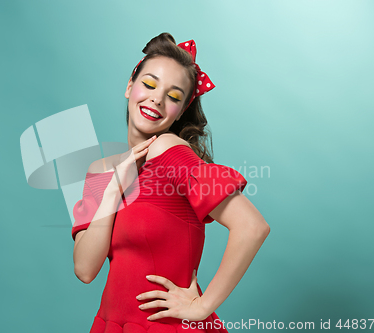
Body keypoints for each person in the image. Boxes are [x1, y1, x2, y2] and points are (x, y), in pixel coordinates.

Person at [71, 32, 270, 332]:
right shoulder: (100, 170)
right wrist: (113, 188)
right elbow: (85, 269)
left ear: (181, 110)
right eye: (149, 84)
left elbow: (252, 226)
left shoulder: (168, 149)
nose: (157, 98)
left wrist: (202, 306)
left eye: (173, 96)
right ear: (130, 86)